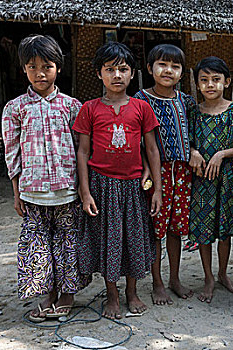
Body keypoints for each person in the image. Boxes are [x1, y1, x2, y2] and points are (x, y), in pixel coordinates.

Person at [2, 34, 88, 322]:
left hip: (67, 191)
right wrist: (16, 193)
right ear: (23, 69)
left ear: (58, 68)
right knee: (38, 244)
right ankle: (47, 295)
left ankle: (67, 296)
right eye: (32, 67)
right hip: (32, 193)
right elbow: (12, 154)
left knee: (68, 241)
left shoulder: (72, 106)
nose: (40, 73)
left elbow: (81, 150)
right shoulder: (15, 109)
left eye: (47, 66)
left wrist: (83, 189)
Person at [73, 42, 162, 319]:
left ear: (132, 74)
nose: (117, 76)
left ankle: (131, 292)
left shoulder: (141, 107)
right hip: (101, 185)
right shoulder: (89, 109)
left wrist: (157, 188)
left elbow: (151, 149)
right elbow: (83, 151)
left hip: (134, 185)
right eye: (110, 69)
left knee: (133, 239)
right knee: (108, 241)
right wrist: (85, 191)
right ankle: (111, 295)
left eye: (123, 69)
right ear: (99, 74)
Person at [134, 44, 196, 305]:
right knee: (155, 230)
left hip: (181, 173)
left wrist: (194, 150)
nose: (168, 70)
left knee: (175, 229)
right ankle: (157, 282)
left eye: (175, 66)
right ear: (150, 68)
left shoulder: (186, 102)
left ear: (182, 72)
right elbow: (136, 141)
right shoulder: (139, 100)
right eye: (162, 64)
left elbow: (194, 134)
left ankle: (174, 278)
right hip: (154, 174)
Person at [187, 57, 233, 303]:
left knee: (224, 232)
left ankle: (222, 273)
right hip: (201, 180)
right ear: (198, 84)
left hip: (227, 179)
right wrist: (194, 152)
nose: (210, 85)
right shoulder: (194, 111)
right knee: (203, 231)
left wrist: (222, 154)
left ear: (227, 82)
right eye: (204, 80)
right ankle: (208, 277)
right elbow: (187, 142)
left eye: (215, 79)